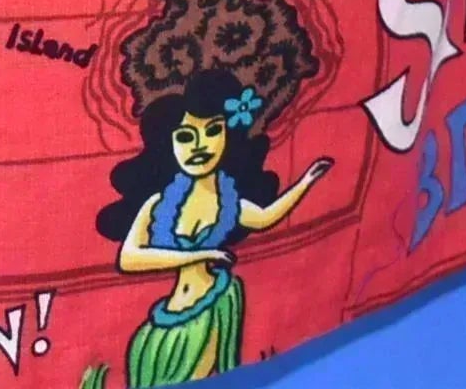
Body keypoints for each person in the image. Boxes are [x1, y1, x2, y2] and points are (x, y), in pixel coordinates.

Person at [90, 70, 334, 383]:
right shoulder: (157, 204)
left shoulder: (228, 203)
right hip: (165, 320)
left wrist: (306, 181)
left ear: (228, 135)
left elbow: (266, 217)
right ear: (168, 143)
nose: (199, 146)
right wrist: (201, 255)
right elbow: (128, 258)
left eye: (213, 131)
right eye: (185, 137)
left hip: (212, 307)